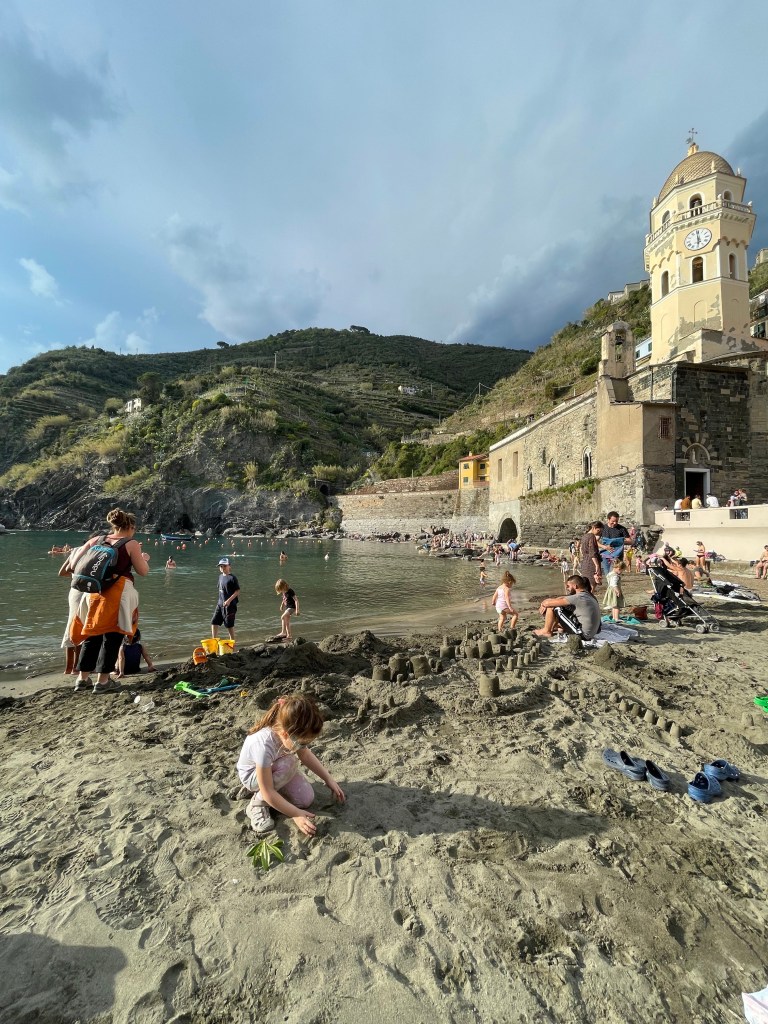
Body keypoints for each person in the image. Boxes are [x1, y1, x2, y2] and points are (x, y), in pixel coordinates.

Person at [236, 692, 345, 836]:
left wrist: (328, 779)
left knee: (305, 800)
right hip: (253, 775)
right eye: (302, 742)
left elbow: (305, 755)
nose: (303, 746)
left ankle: (268, 790)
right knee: (290, 762)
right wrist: (296, 814)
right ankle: (257, 802)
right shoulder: (263, 744)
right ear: (286, 734)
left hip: (277, 768)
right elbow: (268, 791)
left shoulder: (288, 734)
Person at [69, 509, 150, 694]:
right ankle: (103, 681)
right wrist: (145, 559)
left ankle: (82, 679)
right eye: (134, 528)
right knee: (112, 637)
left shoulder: (95, 540)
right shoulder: (131, 544)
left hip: (94, 592)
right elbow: (143, 571)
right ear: (129, 527)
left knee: (92, 634)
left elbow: (74, 565)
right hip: (118, 593)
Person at [535, 575, 602, 640]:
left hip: (583, 634)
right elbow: (563, 598)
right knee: (563, 608)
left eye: (568, 586)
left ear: (575, 586)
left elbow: (548, 604)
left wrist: (543, 603)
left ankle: (546, 631)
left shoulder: (578, 597)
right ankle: (554, 628)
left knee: (554, 607)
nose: (567, 588)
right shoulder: (588, 595)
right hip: (593, 632)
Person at [212, 558, 240, 643]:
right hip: (220, 604)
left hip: (230, 606)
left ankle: (232, 642)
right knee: (214, 622)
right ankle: (214, 641)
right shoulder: (220, 577)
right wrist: (221, 601)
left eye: (224, 566)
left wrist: (229, 601)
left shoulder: (232, 578)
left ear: (229, 566)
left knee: (229, 625)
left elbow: (237, 591)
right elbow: (221, 590)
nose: (222, 568)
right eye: (221, 566)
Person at [579, 521, 604, 589]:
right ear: (593, 528)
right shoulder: (591, 536)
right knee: (592, 585)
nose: (599, 532)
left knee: (586, 584)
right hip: (591, 562)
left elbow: (582, 550)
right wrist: (597, 565)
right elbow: (592, 552)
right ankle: (588, 599)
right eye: (598, 530)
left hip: (585, 561)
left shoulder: (585, 536)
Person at [602, 558, 626, 623]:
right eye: (622, 571)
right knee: (617, 605)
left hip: (610, 590)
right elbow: (614, 584)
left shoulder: (610, 573)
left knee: (614, 605)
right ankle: (616, 618)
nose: (621, 572)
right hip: (614, 591)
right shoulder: (615, 576)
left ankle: (614, 617)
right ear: (619, 569)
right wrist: (617, 591)